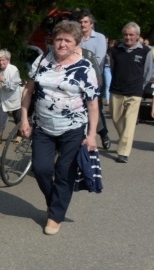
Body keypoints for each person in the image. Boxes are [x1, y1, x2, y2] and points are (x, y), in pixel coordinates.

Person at [19, 20, 99, 235]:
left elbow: (92, 104)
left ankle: (55, 215)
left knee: (64, 172)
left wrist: (91, 135)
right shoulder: (42, 61)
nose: (62, 44)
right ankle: (54, 201)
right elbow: (28, 90)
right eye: (59, 39)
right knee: (41, 169)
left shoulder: (85, 68)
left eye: (68, 40)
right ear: (53, 41)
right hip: (43, 126)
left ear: (76, 44)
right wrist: (24, 119)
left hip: (72, 128)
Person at [108, 22, 153, 163]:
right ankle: (124, 141)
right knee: (116, 119)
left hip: (135, 91)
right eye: (125, 35)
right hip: (117, 90)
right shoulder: (115, 50)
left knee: (129, 122)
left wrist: (141, 86)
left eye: (131, 35)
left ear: (137, 36)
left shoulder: (146, 51)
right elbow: (112, 70)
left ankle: (123, 152)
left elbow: (148, 71)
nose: (128, 37)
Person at [78, 10, 111, 149]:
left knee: (94, 107)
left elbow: (98, 58)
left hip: (94, 77)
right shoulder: (76, 37)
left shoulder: (99, 38)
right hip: (77, 76)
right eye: (80, 22)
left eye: (85, 22)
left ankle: (103, 134)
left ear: (91, 24)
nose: (83, 24)